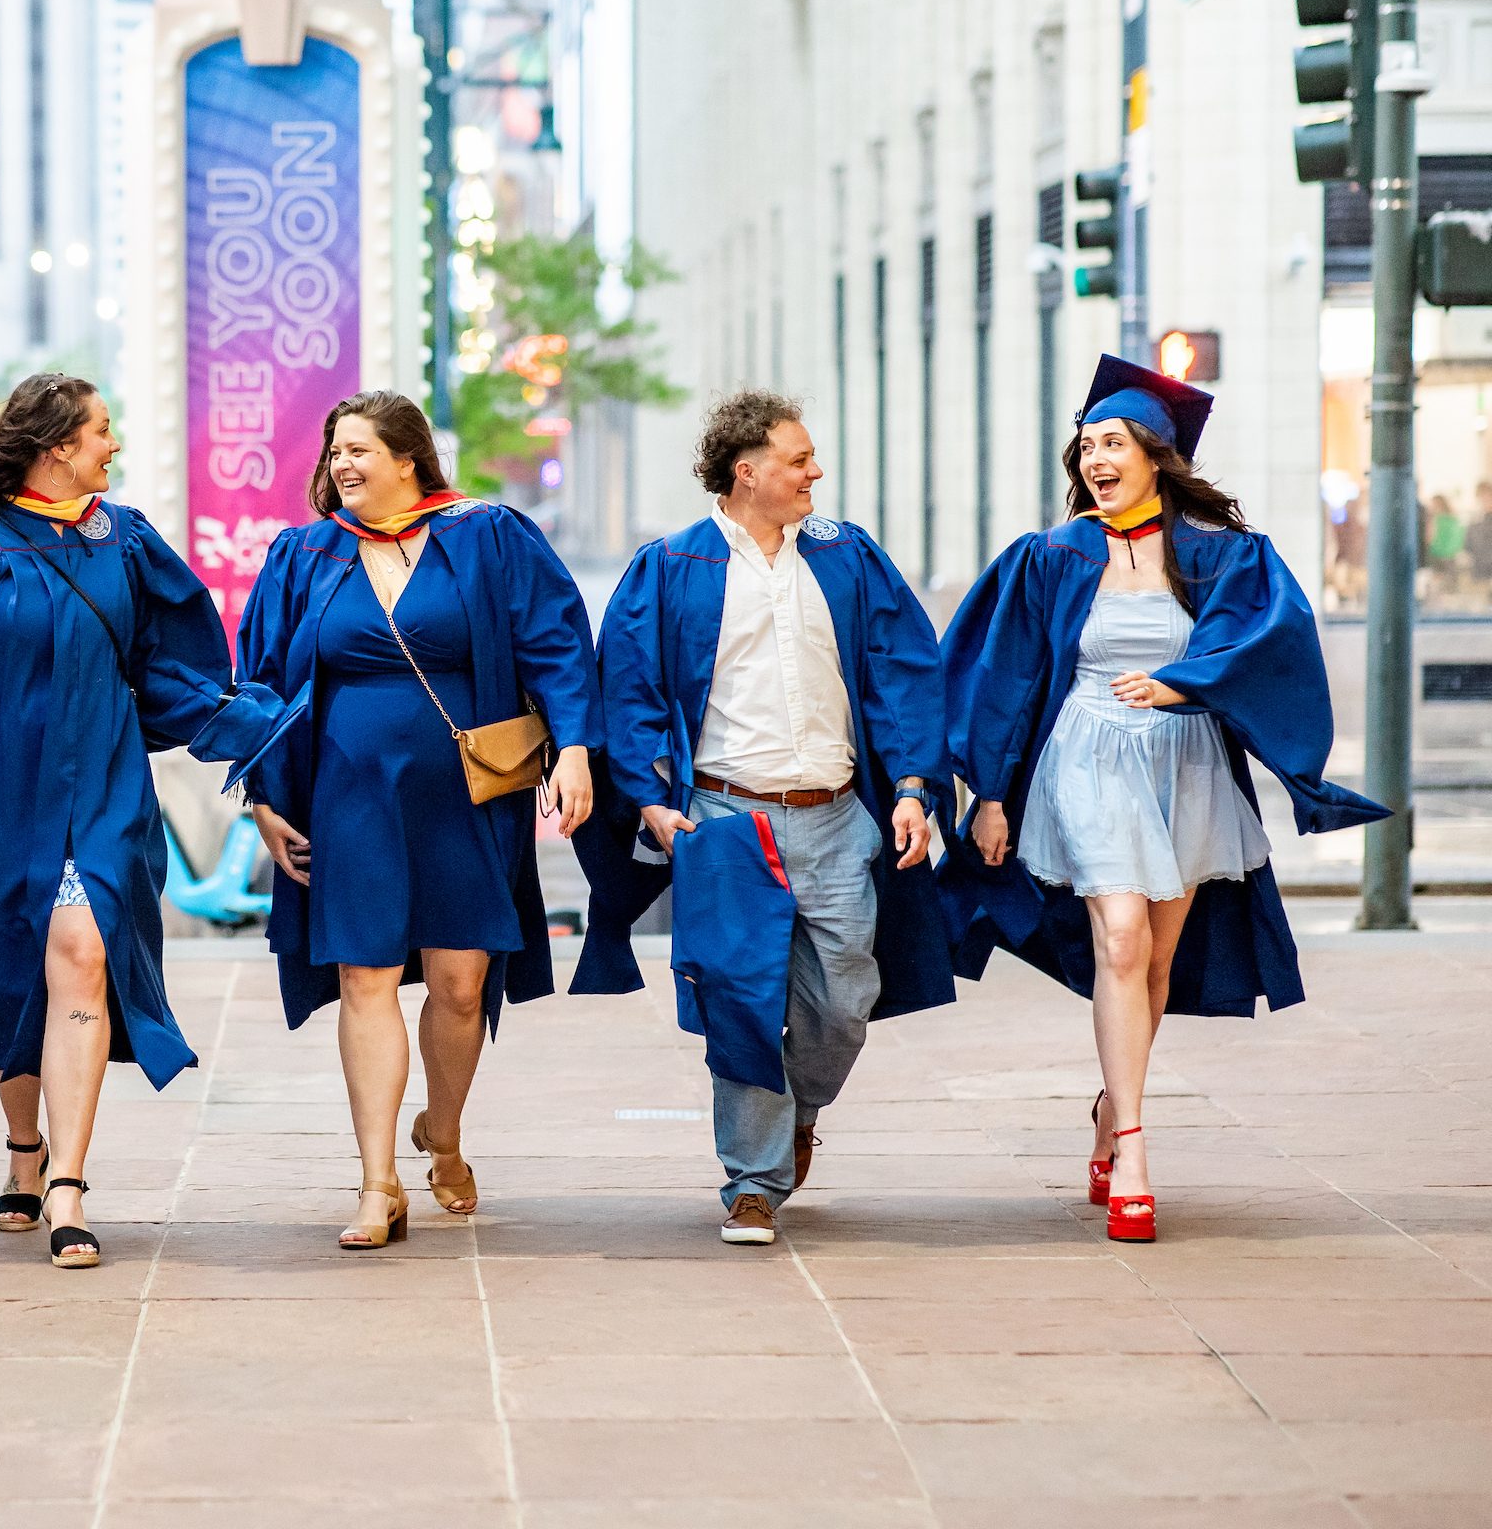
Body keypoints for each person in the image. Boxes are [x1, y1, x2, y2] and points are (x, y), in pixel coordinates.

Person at [0, 373, 294, 1269]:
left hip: (103, 780)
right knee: (15, 969)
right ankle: (23, 1147)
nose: (112, 445)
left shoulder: (121, 540)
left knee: (83, 948)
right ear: (55, 445)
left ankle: (69, 1184)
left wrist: (245, 722)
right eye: (100, 430)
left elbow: (169, 663)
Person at [941, 356, 1389, 1244]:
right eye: (1085, 447)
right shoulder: (1050, 557)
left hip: (1183, 762)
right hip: (1089, 755)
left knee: (1155, 961)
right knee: (1119, 934)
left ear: (1156, 455)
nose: (1094, 458)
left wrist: (1183, 684)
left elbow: (1268, 643)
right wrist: (989, 793)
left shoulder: (1219, 555)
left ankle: (1113, 1105)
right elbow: (1001, 674)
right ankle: (1139, 1151)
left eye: (1112, 443)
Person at [573, 390, 952, 1247]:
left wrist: (914, 787)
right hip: (726, 819)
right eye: (798, 459)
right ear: (748, 473)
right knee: (742, 999)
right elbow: (627, 688)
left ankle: (796, 1115)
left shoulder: (846, 557)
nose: (815, 472)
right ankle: (752, 1179)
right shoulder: (671, 567)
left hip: (835, 815)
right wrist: (653, 799)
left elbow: (903, 671)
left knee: (845, 997)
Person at [237, 390, 598, 1250]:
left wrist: (577, 747)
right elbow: (258, 680)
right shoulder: (305, 554)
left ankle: (444, 1127)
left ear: (409, 458)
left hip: (468, 792)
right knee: (364, 978)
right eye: (333, 453)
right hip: (350, 795)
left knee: (459, 985)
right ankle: (376, 1183)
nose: (341, 465)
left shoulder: (488, 536)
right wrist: (261, 798)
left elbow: (556, 641)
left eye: (359, 449)